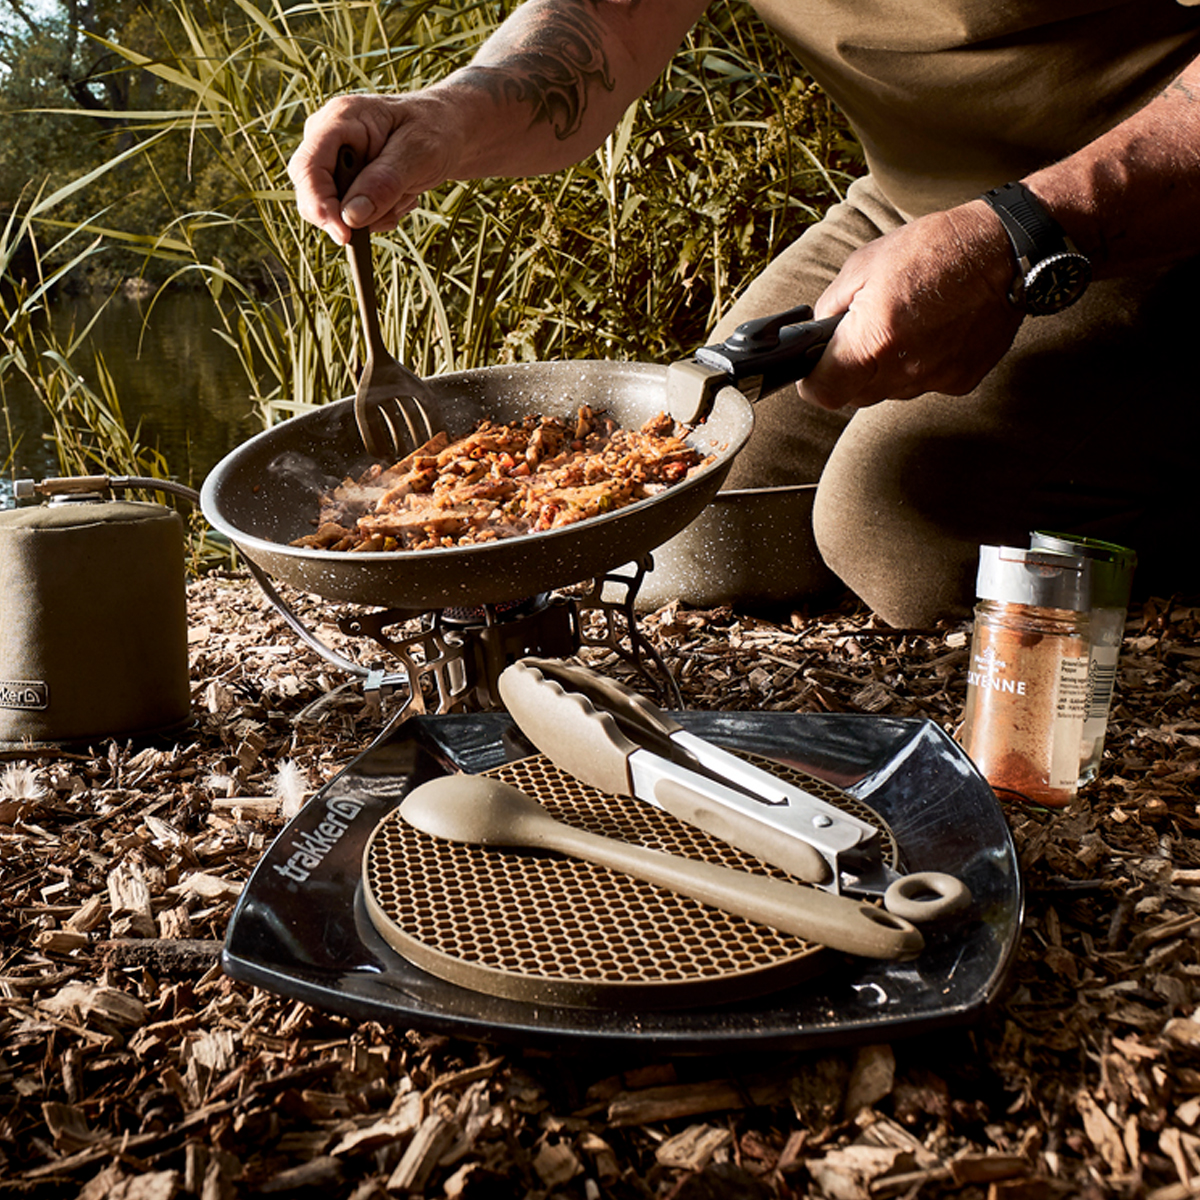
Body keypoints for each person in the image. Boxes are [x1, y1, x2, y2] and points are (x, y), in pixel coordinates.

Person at [288, 0, 1200, 627]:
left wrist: (1022, 232)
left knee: (897, 529)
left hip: (1150, 214)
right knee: (695, 514)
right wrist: (443, 116)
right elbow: (607, 24)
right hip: (912, 208)